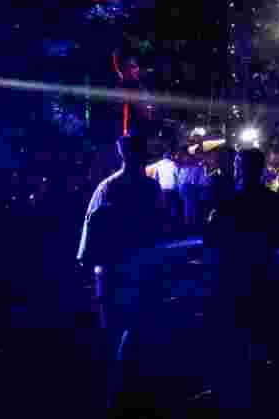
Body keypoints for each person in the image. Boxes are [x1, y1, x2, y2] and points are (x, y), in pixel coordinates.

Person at [76, 136, 165, 412]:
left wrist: (88, 264)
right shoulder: (151, 188)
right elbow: (161, 228)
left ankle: (115, 395)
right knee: (139, 330)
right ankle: (132, 393)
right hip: (142, 270)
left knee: (114, 332)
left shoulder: (107, 188)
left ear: (121, 155)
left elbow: (90, 233)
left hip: (112, 272)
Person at [204, 148, 279, 411]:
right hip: (263, 271)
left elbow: (210, 239)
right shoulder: (274, 202)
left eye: (239, 165)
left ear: (240, 169)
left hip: (234, 276)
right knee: (262, 330)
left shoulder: (226, 203)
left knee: (236, 334)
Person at [150, 150, 180, 227]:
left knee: (164, 208)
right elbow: (177, 177)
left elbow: (155, 178)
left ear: (163, 157)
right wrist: (177, 187)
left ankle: (165, 225)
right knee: (172, 209)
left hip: (162, 189)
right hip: (172, 189)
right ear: (170, 157)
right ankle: (172, 224)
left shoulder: (158, 164)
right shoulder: (173, 164)